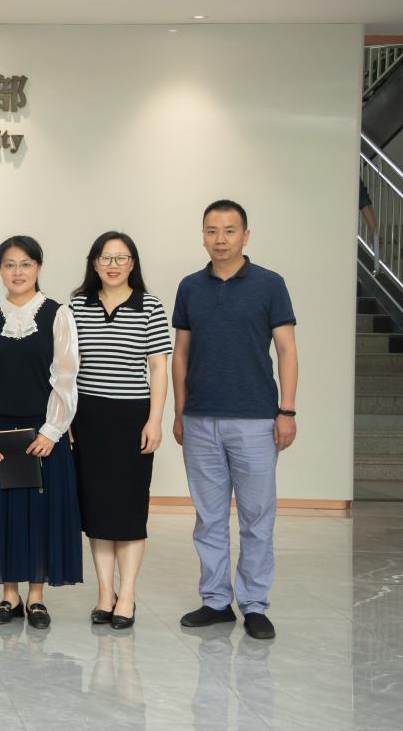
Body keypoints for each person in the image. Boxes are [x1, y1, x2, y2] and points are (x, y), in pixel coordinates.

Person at [173, 200, 298, 641]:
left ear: (246, 235)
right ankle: (215, 601)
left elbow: (287, 350)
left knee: (256, 517)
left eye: (229, 230)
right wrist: (179, 412)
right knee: (208, 518)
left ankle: (255, 604)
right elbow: (181, 354)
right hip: (201, 419)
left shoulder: (270, 284)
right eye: (212, 230)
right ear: (203, 236)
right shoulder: (190, 287)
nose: (220, 239)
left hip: (256, 420)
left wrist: (286, 410)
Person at [0, 235, 81, 629]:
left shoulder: (57, 314)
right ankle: (9, 596)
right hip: (0, 433)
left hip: (43, 432)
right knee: (3, 514)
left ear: (38, 267)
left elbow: (66, 376)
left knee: (41, 514)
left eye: (26, 264)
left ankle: (36, 598)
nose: (18, 272)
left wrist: (52, 431)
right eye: (9, 264)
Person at [69, 231, 171, 630]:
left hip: (132, 418)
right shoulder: (77, 306)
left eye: (121, 258)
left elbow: (158, 367)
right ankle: (104, 594)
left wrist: (155, 419)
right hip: (88, 417)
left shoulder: (150, 306)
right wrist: (67, 418)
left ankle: (126, 595)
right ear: (94, 263)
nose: (113, 265)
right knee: (97, 509)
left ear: (133, 263)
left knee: (129, 510)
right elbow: (66, 367)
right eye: (105, 258)